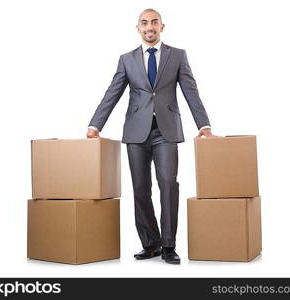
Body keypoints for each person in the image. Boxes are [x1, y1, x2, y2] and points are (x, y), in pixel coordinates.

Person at [87, 8, 214, 264]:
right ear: (138, 28)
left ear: (162, 26)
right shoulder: (127, 59)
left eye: (154, 22)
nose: (149, 27)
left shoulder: (177, 56)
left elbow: (191, 91)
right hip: (136, 133)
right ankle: (151, 243)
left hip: (166, 131)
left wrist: (204, 125)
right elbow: (113, 92)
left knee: (168, 184)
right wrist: (95, 125)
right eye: (144, 23)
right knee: (140, 189)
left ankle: (169, 245)